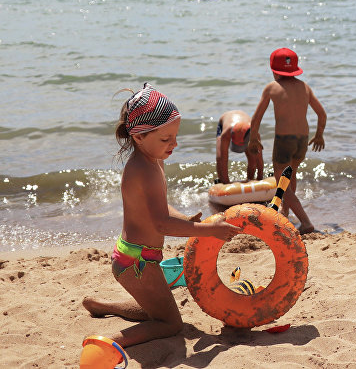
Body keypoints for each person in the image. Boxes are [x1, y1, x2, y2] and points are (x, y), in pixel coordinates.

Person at [82, 83, 242, 347]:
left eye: (175, 136)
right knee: (171, 324)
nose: (174, 144)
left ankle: (103, 306)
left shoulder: (152, 160)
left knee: (154, 310)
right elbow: (161, 224)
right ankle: (107, 342)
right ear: (139, 137)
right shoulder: (143, 170)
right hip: (138, 263)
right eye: (166, 139)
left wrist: (186, 219)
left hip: (133, 256)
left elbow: (160, 209)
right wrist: (209, 230)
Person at [247, 48, 326, 234]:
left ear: (274, 70)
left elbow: (256, 118)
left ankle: (305, 222)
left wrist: (253, 139)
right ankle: (285, 210)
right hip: (303, 140)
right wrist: (319, 134)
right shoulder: (305, 87)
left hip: (284, 140)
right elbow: (321, 114)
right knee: (292, 173)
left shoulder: (271, 88)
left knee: (280, 179)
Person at [215, 110, 264, 184]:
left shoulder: (255, 134)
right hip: (225, 121)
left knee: (253, 159)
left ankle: (250, 179)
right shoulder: (225, 134)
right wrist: (226, 184)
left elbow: (259, 159)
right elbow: (223, 159)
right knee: (219, 157)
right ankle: (221, 181)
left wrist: (260, 178)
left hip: (246, 127)